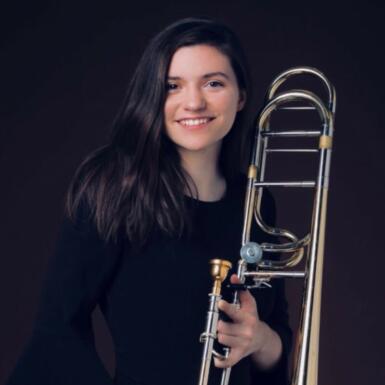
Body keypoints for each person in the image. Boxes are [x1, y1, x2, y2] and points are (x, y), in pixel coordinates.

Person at [6, 18, 292, 385]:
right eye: (172, 86)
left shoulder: (257, 201)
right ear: (152, 97)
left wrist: (261, 339)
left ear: (241, 96)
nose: (194, 102)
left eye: (214, 83)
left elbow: (276, 334)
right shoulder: (115, 187)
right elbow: (56, 330)